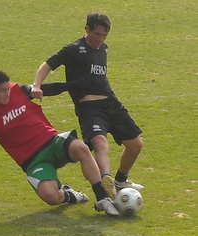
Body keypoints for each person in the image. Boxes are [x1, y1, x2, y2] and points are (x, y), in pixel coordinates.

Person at [0, 70, 119, 216]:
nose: (7, 94)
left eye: (8, 89)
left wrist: (75, 84)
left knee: (80, 147)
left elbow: (46, 89)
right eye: (2, 91)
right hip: (34, 161)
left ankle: (101, 198)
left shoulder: (19, 91)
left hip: (52, 143)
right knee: (50, 196)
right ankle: (69, 195)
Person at [32, 13, 144, 193]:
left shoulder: (104, 49)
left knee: (136, 145)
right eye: (97, 34)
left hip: (111, 104)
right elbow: (47, 65)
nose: (100, 39)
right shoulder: (74, 49)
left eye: (104, 35)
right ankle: (106, 181)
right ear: (87, 29)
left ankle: (121, 180)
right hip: (90, 108)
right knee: (100, 142)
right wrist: (36, 86)